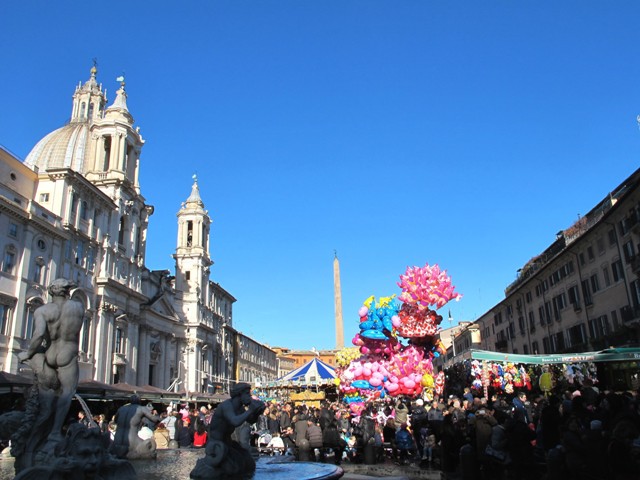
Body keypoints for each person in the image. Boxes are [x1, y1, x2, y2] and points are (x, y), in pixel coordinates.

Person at [17, 279, 86, 451]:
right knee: (66, 393)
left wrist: (29, 353)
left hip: (49, 353)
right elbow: (76, 331)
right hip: (67, 352)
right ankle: (55, 431)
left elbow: (39, 335)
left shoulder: (43, 310)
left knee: (47, 396)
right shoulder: (78, 308)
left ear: (51, 291)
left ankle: (38, 433)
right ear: (67, 291)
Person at [190, 383, 266, 479]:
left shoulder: (239, 408)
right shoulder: (227, 405)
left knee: (248, 461)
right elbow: (234, 421)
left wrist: (257, 412)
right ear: (239, 394)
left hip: (228, 443)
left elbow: (250, 420)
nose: (249, 396)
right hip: (216, 444)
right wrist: (250, 410)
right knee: (230, 467)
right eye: (247, 394)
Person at [110, 395, 160, 459]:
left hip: (117, 441)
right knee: (152, 444)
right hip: (132, 443)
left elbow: (115, 420)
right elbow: (155, 420)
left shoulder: (121, 408)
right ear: (139, 401)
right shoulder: (142, 408)